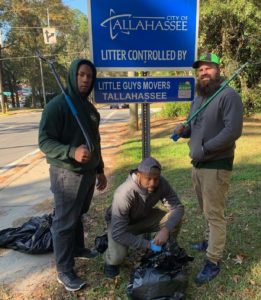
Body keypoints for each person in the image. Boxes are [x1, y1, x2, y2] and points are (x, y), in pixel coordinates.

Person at [173, 53, 243, 285]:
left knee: (214, 214)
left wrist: (205, 148)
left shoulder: (228, 95)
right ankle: (207, 240)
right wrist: (184, 130)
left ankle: (213, 261)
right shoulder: (199, 97)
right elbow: (193, 126)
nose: (203, 73)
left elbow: (232, 131)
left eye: (208, 68)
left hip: (216, 164)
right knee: (205, 209)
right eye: (200, 70)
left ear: (218, 70)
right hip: (198, 163)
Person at [39, 59, 107, 291]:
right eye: (81, 74)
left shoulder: (90, 110)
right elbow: (44, 141)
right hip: (66, 173)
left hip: (88, 174)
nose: (86, 79)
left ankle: (78, 248)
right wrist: (71, 151)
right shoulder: (57, 106)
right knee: (64, 222)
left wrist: (100, 170)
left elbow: (95, 142)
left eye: (89, 76)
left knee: (79, 213)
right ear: (72, 75)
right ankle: (64, 270)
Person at [103, 156, 184, 278]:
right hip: (122, 226)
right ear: (139, 174)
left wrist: (166, 229)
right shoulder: (124, 193)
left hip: (144, 217)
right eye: (148, 179)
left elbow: (177, 207)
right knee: (117, 257)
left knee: (174, 220)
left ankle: (166, 249)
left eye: (156, 179)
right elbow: (118, 233)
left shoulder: (161, 183)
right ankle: (108, 258)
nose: (153, 183)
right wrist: (148, 244)